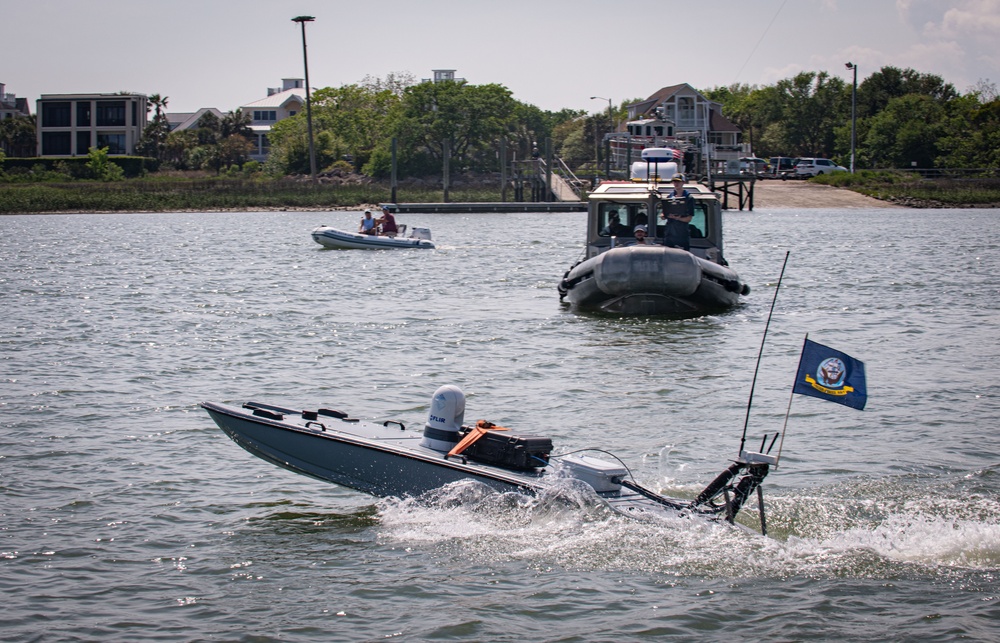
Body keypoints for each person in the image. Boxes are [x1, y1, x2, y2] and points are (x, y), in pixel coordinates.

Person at [660, 175, 694, 251]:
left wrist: (677, 218)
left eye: (678, 181)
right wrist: (663, 215)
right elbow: (663, 214)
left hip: (681, 233)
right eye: (674, 181)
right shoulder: (669, 196)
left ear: (683, 183)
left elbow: (689, 219)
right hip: (669, 233)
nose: (676, 183)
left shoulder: (689, 198)